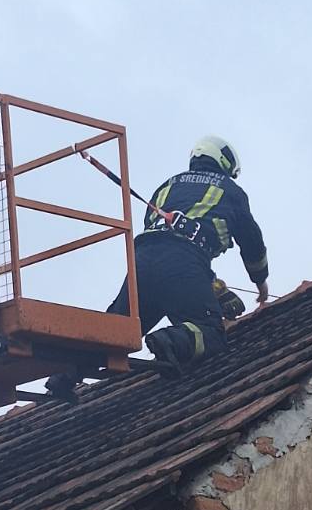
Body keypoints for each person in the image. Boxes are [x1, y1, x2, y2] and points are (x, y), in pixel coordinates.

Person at [109, 134, 269, 370]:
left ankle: (65, 375)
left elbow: (161, 241)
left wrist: (212, 287)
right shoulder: (230, 190)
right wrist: (260, 281)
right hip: (183, 260)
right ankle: (169, 342)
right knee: (211, 331)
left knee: (114, 333)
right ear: (224, 162)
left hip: (141, 261)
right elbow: (251, 241)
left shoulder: (167, 186)